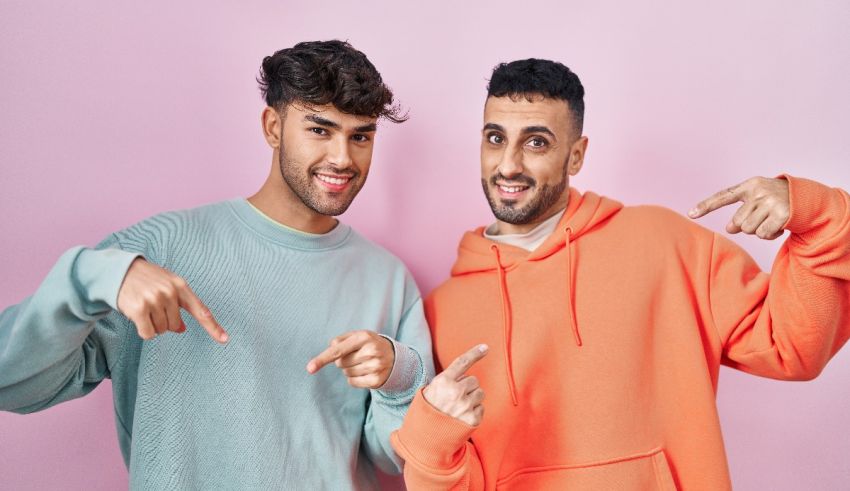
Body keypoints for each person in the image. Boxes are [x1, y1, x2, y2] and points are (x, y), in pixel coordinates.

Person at [390, 58, 850, 490]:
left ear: (576, 156)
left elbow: (796, 349)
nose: (508, 164)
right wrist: (431, 431)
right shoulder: (441, 309)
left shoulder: (665, 242)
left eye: (536, 142)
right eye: (495, 138)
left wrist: (818, 215)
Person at [0, 40, 434, 490]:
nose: (343, 158)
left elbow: (393, 459)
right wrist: (89, 277)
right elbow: (11, 382)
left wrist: (397, 378)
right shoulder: (155, 250)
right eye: (320, 130)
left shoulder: (389, 280)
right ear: (272, 126)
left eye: (360, 136)